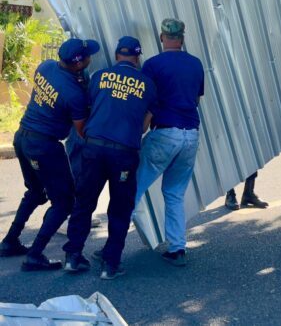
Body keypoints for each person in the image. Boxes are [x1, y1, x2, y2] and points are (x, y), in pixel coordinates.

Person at [0, 38, 99, 271]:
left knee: (35, 192)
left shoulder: (45, 67)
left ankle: (9, 241)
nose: (90, 57)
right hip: (44, 146)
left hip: (22, 137)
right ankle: (35, 254)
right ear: (78, 64)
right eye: (87, 56)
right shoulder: (74, 94)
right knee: (64, 202)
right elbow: (81, 130)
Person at [62, 36, 156, 280]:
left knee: (84, 203)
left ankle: (72, 257)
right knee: (119, 209)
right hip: (123, 153)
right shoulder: (148, 84)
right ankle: (110, 264)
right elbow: (145, 127)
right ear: (137, 58)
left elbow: (89, 110)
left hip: (93, 148)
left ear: (116, 56)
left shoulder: (99, 77)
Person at [134, 19, 204, 267]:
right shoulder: (195, 64)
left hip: (165, 133)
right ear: (182, 38)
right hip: (191, 134)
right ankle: (177, 248)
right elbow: (196, 100)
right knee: (174, 194)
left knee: (133, 187)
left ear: (163, 37)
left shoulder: (153, 65)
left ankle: (113, 248)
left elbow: (143, 101)